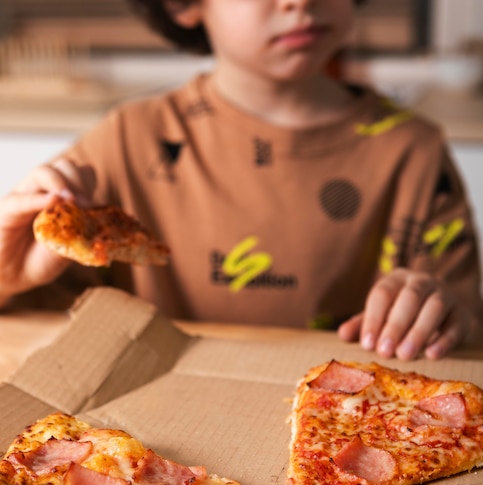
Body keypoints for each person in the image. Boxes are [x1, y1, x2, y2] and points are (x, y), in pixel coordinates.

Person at [0, 0, 482, 361]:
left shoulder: (415, 153)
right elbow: (35, 324)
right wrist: (8, 275)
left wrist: (442, 313)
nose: (301, 0)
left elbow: (464, 327)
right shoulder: (125, 143)